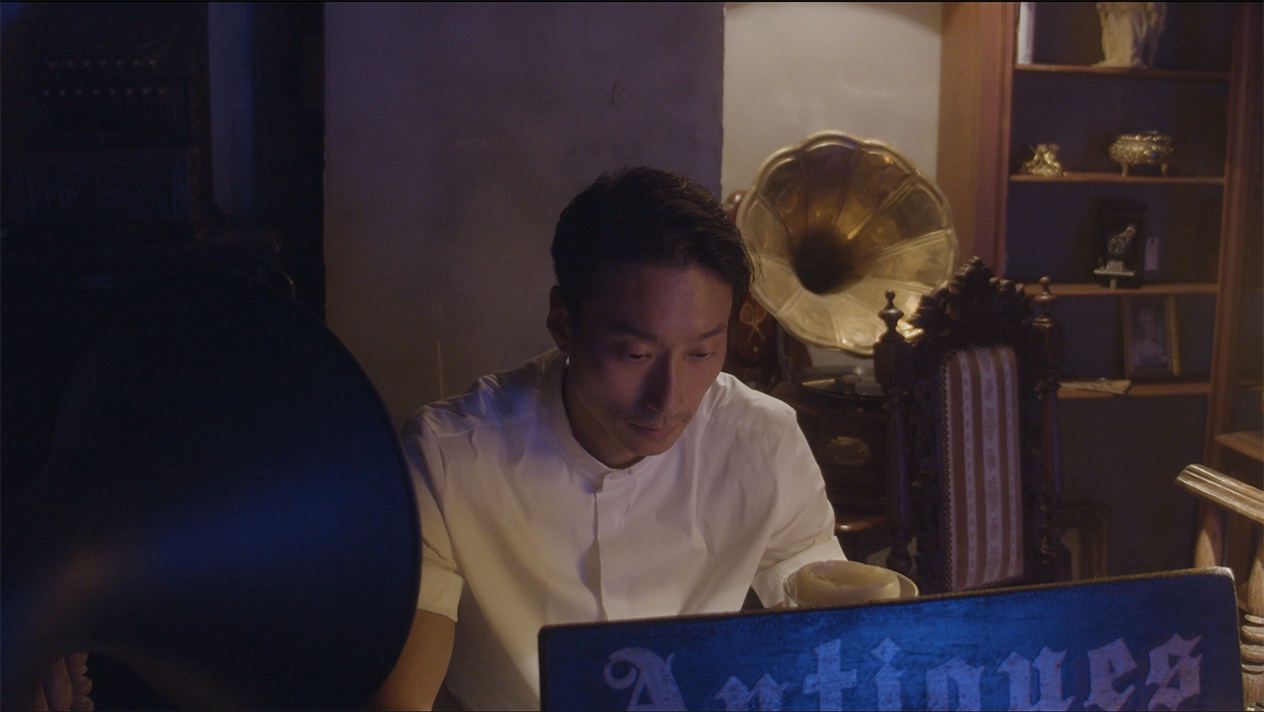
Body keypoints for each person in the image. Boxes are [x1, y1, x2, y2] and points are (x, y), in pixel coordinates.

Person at [372, 167, 845, 710]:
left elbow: (833, 633)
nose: (669, 398)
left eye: (701, 353)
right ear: (563, 323)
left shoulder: (763, 440)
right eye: (635, 354)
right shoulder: (448, 457)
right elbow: (401, 698)